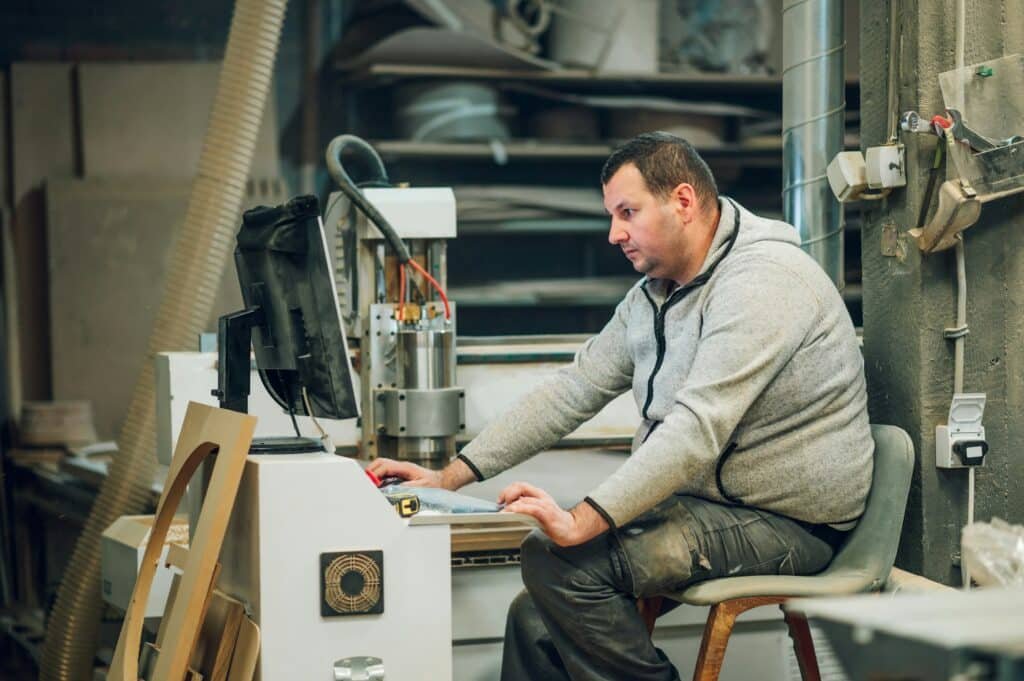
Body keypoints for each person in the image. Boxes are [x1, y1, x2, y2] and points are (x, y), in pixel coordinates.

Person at [368, 132, 874, 681]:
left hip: (785, 524)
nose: (615, 234)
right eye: (612, 215)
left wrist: (582, 520)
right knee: (536, 616)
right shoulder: (656, 292)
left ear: (682, 201)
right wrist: (448, 479)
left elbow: (695, 430)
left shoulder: (763, 281)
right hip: (711, 508)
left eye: (627, 212)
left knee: (559, 561)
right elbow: (573, 390)